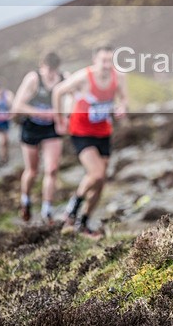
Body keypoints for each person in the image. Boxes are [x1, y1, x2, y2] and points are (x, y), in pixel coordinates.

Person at [52, 45, 128, 238]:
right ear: (95, 60)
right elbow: (58, 92)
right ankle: (71, 210)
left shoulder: (118, 77)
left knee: (100, 181)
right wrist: (59, 120)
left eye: (110, 61)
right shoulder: (84, 77)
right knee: (96, 173)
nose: (107, 65)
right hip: (81, 131)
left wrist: (122, 107)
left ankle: (83, 222)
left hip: (103, 132)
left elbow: (124, 98)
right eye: (103, 60)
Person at [11, 52, 67, 223]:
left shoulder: (64, 78)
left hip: (51, 129)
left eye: (53, 70)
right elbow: (18, 105)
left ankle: (46, 211)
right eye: (47, 70)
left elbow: (73, 96)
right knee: (32, 171)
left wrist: (63, 116)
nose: (50, 74)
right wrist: (42, 113)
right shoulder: (33, 79)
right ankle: (25, 200)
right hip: (32, 127)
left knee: (51, 170)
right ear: (42, 66)